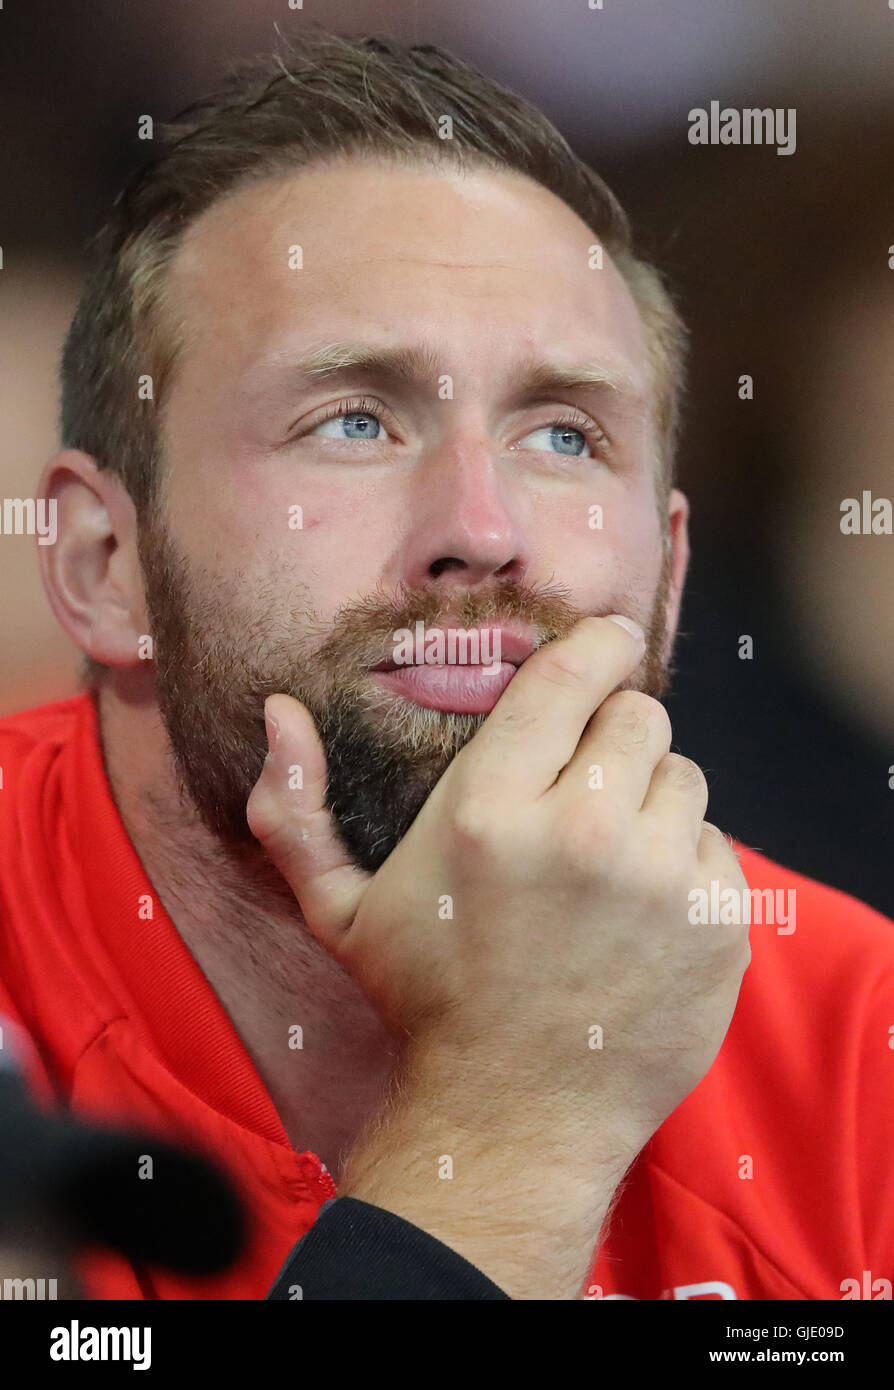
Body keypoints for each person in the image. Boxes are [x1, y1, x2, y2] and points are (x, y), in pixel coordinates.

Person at [0, 31, 890, 1301]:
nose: (481, 529)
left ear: (675, 576)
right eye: (352, 420)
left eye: (564, 435)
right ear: (103, 563)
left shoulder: (862, 1051)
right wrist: (515, 1124)